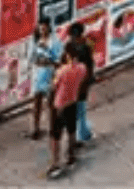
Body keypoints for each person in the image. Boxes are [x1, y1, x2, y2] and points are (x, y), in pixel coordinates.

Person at [47, 43, 89, 179]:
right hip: (73, 102)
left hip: (60, 106)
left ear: (68, 55)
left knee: (55, 136)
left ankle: (56, 164)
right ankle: (71, 156)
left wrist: (58, 69)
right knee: (71, 130)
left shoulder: (62, 71)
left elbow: (53, 87)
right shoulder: (83, 68)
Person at [27, 19, 61, 139]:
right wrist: (39, 61)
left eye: (44, 28)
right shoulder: (35, 41)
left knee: (51, 104)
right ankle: (36, 128)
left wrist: (48, 60)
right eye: (40, 28)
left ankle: (53, 127)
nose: (42, 30)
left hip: (50, 75)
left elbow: (58, 62)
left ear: (48, 28)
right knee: (37, 103)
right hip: (38, 75)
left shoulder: (55, 42)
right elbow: (31, 59)